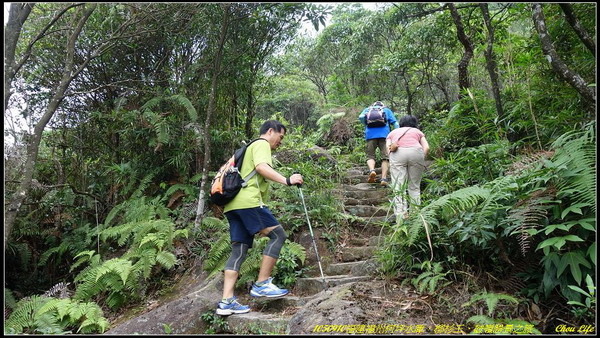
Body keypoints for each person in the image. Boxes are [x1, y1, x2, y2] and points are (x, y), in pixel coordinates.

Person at [216, 120, 304, 316]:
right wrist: (287, 180)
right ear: (270, 131)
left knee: (239, 249)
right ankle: (262, 284)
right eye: (280, 137)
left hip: (232, 206)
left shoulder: (247, 148)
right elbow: (262, 167)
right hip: (248, 202)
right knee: (278, 235)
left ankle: (226, 301)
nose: (280, 142)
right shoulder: (261, 144)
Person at [386, 115, 429, 219]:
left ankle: (401, 216)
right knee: (414, 186)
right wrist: (421, 159)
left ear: (400, 123)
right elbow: (427, 148)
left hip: (397, 154)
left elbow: (388, 150)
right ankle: (415, 215)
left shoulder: (392, 133)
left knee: (398, 187)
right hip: (416, 152)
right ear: (414, 123)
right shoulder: (417, 131)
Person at [359, 101, 399, 186]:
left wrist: (365, 125)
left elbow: (361, 117)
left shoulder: (367, 110)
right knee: (385, 158)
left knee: (370, 156)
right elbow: (395, 123)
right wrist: (396, 136)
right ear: (382, 105)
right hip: (385, 136)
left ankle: (372, 171)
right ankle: (383, 178)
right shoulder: (386, 110)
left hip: (370, 135)